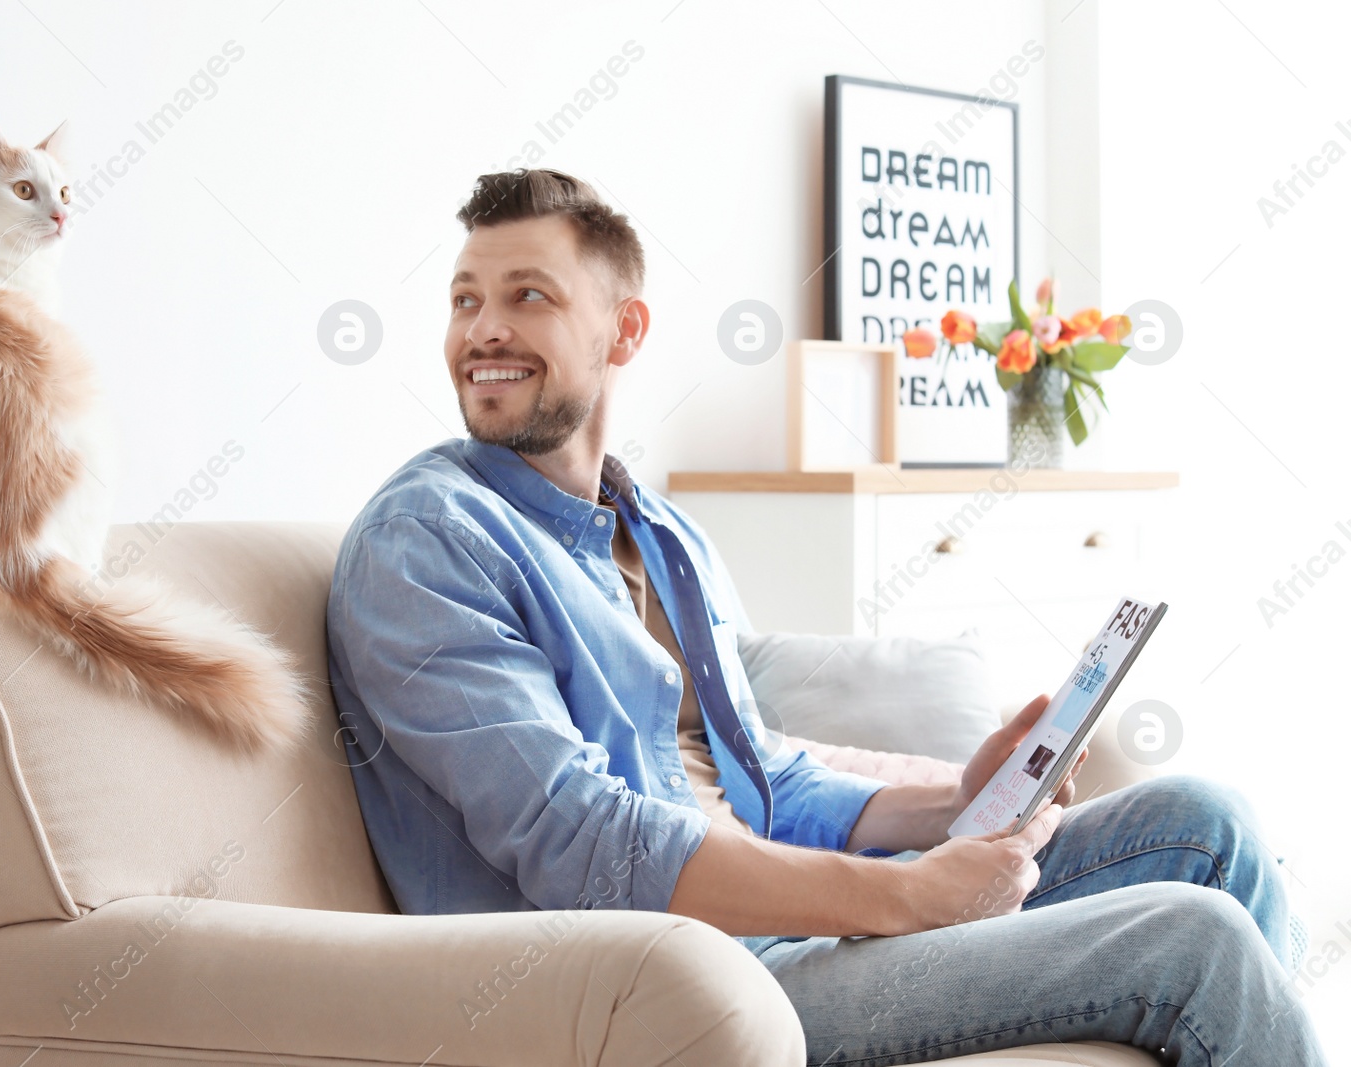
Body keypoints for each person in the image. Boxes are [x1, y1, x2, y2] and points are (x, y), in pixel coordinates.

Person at [324, 168, 1326, 1065]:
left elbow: (760, 774)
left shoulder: (661, 533)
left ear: (623, 330)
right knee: (1193, 943)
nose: (482, 330)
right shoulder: (430, 539)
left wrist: (949, 803)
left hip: (777, 928)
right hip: (669, 981)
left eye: (525, 296)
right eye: (464, 301)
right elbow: (588, 846)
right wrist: (907, 894)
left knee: (1205, 821)